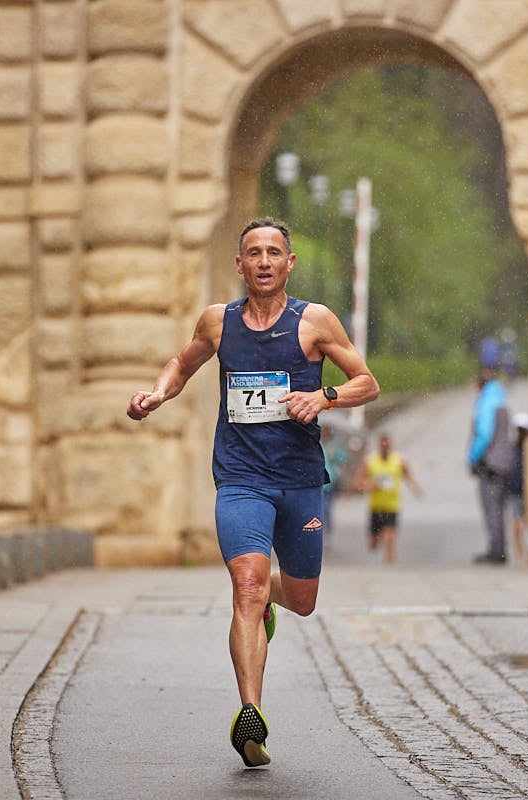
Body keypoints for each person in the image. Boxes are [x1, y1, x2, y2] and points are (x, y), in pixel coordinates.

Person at [125, 218, 379, 768]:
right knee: (247, 582)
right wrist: (159, 394)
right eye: (253, 253)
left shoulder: (312, 322)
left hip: (300, 481)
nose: (264, 261)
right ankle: (250, 714)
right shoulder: (217, 322)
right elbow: (183, 362)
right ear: (239, 265)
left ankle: (270, 600)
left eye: (274, 253)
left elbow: (368, 381)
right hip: (240, 479)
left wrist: (325, 397)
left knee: (303, 599)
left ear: (289, 263)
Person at [468, 368, 514, 563]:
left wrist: (473, 457)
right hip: (504, 464)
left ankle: (496, 552)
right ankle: (500, 548)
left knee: (491, 509)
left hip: (490, 465)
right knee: (500, 509)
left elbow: (484, 434)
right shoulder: (501, 401)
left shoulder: (486, 403)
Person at [356, 433, 423, 564]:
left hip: (392, 506)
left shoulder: (399, 460)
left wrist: (415, 488)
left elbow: (408, 476)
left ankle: (389, 565)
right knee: (373, 545)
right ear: (379, 445)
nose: (385, 446)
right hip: (375, 507)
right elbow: (357, 484)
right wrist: (371, 484)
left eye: (387, 443)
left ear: (391, 445)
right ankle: (379, 535)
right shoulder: (370, 461)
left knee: (390, 538)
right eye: (382, 443)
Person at [507, 412, 528, 564]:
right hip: (516, 491)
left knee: (521, 525)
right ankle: (522, 555)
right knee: (517, 526)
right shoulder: (514, 450)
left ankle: (525, 554)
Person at [319, 424, 348, 541]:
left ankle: (327, 532)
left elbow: (343, 458)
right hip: (315, 481)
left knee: (326, 508)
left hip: (329, 482)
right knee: (318, 509)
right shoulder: (316, 442)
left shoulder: (334, 445)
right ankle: (319, 531)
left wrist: (335, 459)